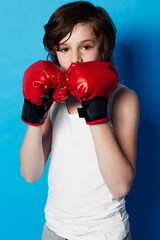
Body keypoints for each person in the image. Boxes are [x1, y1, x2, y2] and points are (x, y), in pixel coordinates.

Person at [20, 1, 140, 240]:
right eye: (64, 49)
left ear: (103, 49)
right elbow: (30, 174)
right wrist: (36, 110)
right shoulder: (52, 98)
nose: (75, 59)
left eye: (85, 47)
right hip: (55, 230)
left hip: (106, 234)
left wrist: (94, 104)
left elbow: (120, 186)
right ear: (55, 53)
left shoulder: (124, 99)